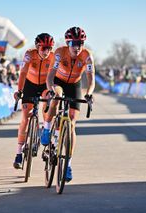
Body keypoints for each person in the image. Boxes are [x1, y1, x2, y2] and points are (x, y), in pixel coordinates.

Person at [41, 27, 95, 182]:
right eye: (74, 43)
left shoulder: (87, 56)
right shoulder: (59, 53)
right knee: (57, 96)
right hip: (58, 82)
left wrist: (89, 93)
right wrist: (50, 89)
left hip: (74, 85)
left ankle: (68, 164)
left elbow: (91, 79)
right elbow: (50, 77)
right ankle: (46, 128)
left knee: (71, 125)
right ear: (67, 43)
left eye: (81, 43)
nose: (77, 47)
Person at [13, 33, 55, 169]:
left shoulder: (53, 57)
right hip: (29, 85)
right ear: (37, 47)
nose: (46, 51)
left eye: (49, 48)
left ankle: (45, 131)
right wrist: (19, 90)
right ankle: (18, 154)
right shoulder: (29, 54)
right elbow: (23, 73)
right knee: (25, 117)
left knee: (47, 106)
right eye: (43, 48)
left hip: (44, 85)